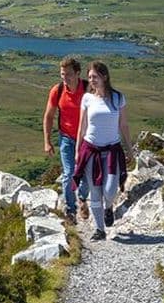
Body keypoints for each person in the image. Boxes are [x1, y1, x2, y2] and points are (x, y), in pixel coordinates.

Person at [73, 61, 132, 241]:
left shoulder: (117, 98)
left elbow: (123, 124)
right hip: (91, 150)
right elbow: (82, 126)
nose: (92, 81)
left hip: (112, 150)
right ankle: (99, 229)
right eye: (90, 77)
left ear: (105, 77)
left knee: (110, 189)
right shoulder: (87, 99)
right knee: (95, 191)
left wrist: (129, 148)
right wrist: (77, 150)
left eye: (95, 77)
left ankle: (109, 207)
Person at [43, 57, 90, 224]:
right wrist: (47, 141)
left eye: (68, 74)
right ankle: (70, 209)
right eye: (63, 74)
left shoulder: (88, 89)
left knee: (87, 174)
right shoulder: (58, 90)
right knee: (69, 173)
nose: (65, 78)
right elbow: (48, 116)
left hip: (87, 139)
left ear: (78, 73)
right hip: (67, 138)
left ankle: (83, 198)